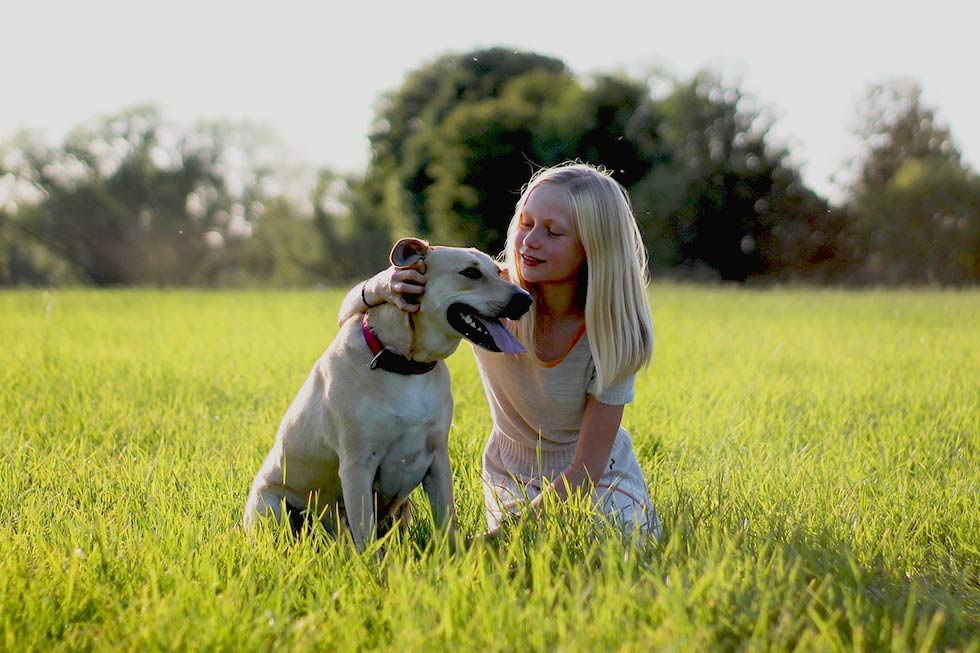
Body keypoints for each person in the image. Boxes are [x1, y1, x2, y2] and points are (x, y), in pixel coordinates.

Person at [338, 162, 660, 537]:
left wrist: (495, 540)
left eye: (553, 232)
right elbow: (348, 317)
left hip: (599, 474)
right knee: (529, 553)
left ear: (593, 248)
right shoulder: (486, 292)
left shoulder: (614, 332)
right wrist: (381, 286)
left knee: (612, 539)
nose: (530, 241)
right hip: (513, 474)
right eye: (526, 223)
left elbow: (586, 468)